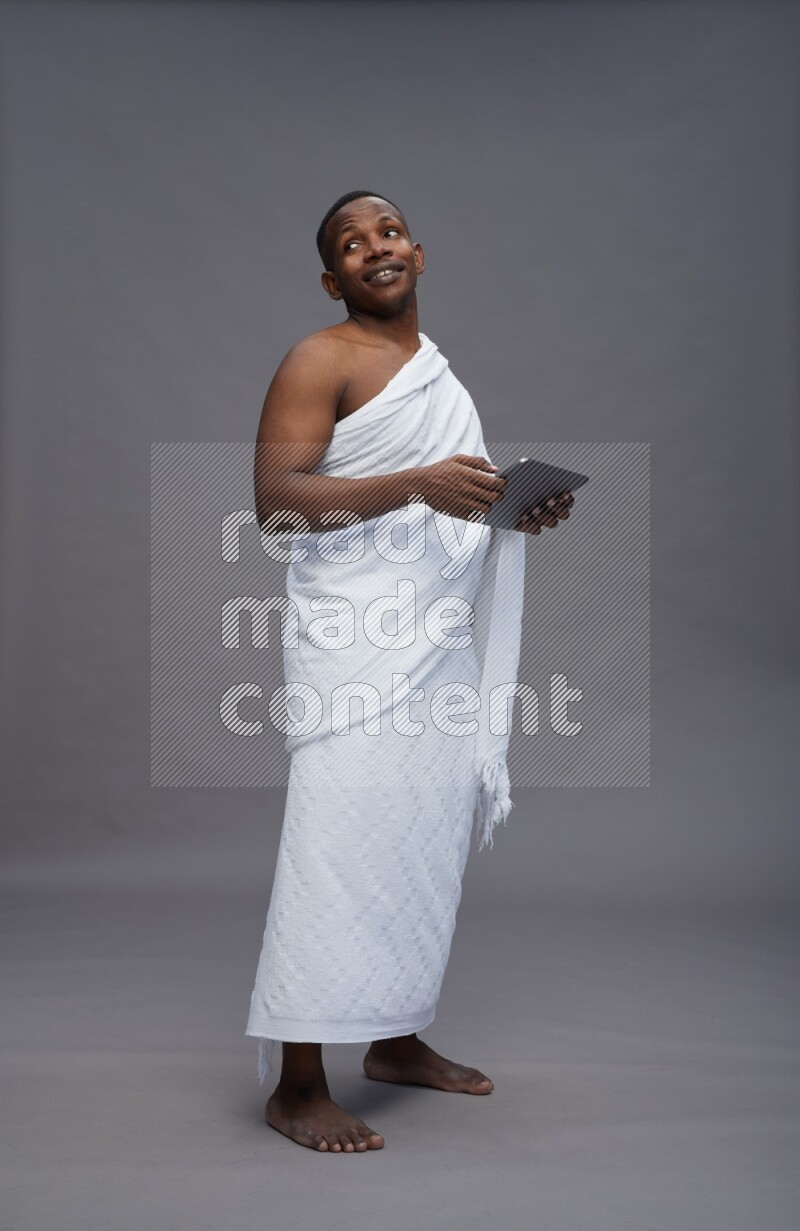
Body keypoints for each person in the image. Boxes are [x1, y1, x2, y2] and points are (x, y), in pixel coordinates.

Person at [245, 190, 573, 1154]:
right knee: (337, 843)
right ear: (330, 277)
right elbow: (275, 503)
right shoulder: (319, 360)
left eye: (386, 233)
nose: (373, 248)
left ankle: (392, 1038)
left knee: (419, 840)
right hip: (358, 643)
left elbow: (438, 509)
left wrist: (505, 511)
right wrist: (419, 484)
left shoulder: (436, 375)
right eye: (351, 244)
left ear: (419, 253)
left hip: (434, 644)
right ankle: (298, 1084)